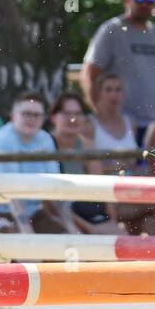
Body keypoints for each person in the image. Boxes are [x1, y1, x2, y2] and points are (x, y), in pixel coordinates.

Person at [82, 0, 155, 143]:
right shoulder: (112, 30)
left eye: (151, 0)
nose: (145, 4)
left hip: (153, 124)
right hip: (122, 125)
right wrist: (98, 113)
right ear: (127, 1)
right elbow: (89, 73)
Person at [90, 73, 155, 235]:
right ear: (98, 93)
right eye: (108, 90)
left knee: (152, 221)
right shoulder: (90, 124)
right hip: (105, 192)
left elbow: (136, 163)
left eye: (118, 90)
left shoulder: (131, 122)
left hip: (130, 188)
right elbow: (89, 167)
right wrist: (115, 168)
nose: (114, 94)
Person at [0, 92, 67, 234]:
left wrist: (69, 225)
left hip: (34, 212)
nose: (32, 119)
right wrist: (28, 236)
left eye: (37, 115)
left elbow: (55, 185)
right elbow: (13, 195)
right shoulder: (3, 140)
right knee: (12, 241)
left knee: (65, 242)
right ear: (13, 116)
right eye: (26, 114)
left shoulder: (45, 139)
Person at [48, 89, 118, 234]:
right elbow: (52, 202)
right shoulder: (47, 144)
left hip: (88, 212)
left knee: (121, 239)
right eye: (67, 114)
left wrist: (112, 220)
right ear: (54, 117)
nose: (72, 119)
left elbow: (102, 187)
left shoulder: (87, 145)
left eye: (78, 114)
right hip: (60, 214)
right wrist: (89, 229)